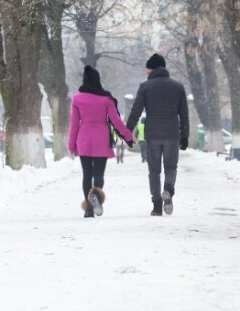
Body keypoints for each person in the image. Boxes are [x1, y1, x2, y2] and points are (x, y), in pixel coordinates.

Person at [126, 54, 189, 216]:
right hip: (172, 134)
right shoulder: (178, 87)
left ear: (152, 68)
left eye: (148, 69)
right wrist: (185, 135)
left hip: (152, 135)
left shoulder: (145, 87)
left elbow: (136, 111)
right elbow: (184, 114)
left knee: (154, 171)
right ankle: (168, 188)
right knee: (171, 167)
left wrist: (127, 131)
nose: (146, 72)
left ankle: (156, 206)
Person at [68, 65, 134, 218]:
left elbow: (73, 123)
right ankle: (96, 198)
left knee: (86, 175)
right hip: (101, 138)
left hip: (83, 137)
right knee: (99, 174)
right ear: (98, 81)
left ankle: (89, 210)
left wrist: (71, 145)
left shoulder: (77, 99)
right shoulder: (106, 99)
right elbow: (116, 121)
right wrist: (128, 137)